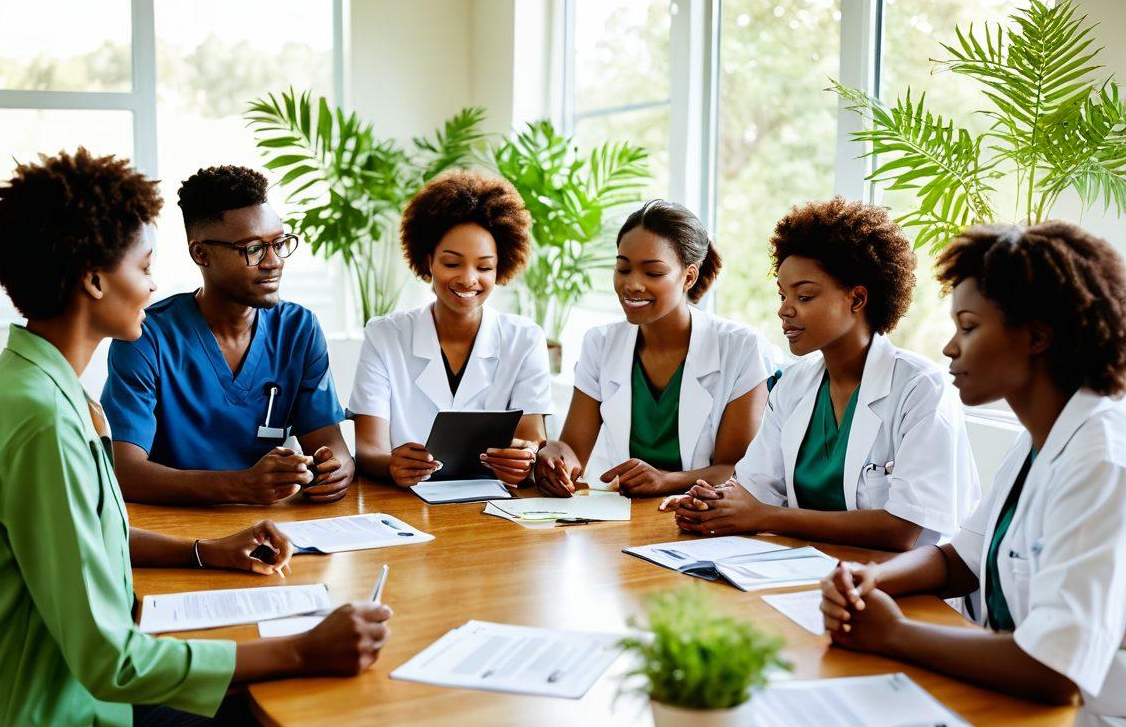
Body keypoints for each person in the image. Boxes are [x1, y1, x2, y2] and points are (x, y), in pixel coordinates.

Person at [0, 149, 390, 727]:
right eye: (143, 264)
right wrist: (298, 648)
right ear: (93, 278)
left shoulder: (37, 390)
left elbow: (87, 538)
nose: (153, 284)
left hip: (70, 702)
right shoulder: (41, 420)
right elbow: (112, 661)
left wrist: (204, 551)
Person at [797, 221, 1126, 727]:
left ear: (1037, 336)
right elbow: (957, 559)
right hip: (1015, 722)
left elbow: (1056, 671)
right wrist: (872, 582)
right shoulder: (1041, 440)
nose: (950, 347)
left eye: (969, 327)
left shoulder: (1102, 457)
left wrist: (893, 634)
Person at [665, 197, 979, 550]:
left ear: (857, 299)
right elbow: (755, 489)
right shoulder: (793, 386)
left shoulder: (920, 388)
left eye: (804, 296)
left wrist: (765, 516)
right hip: (806, 573)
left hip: (904, 590)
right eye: (782, 295)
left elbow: (902, 530)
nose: (784, 310)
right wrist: (714, 502)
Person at [101, 165, 353, 505]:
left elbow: (328, 441)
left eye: (279, 243)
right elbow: (123, 471)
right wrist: (240, 486)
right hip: (175, 531)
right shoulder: (146, 338)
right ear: (201, 253)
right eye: (252, 249)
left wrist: (336, 467)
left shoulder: (299, 329)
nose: (273, 261)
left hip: (276, 530)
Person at [534, 199, 775, 498]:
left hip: (706, 523)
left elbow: (735, 470)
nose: (632, 284)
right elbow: (573, 449)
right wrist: (555, 457)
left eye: (653, 273)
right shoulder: (601, 343)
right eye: (623, 268)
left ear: (688, 276)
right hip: (624, 519)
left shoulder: (739, 347)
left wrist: (666, 480)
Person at [350, 169, 552, 487]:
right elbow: (367, 449)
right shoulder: (384, 336)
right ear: (428, 261)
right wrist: (392, 464)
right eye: (452, 263)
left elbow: (532, 439)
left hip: (492, 508)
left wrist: (522, 459)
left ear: (501, 267)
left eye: (484, 266)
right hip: (404, 504)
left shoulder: (524, 339)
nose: (468, 279)